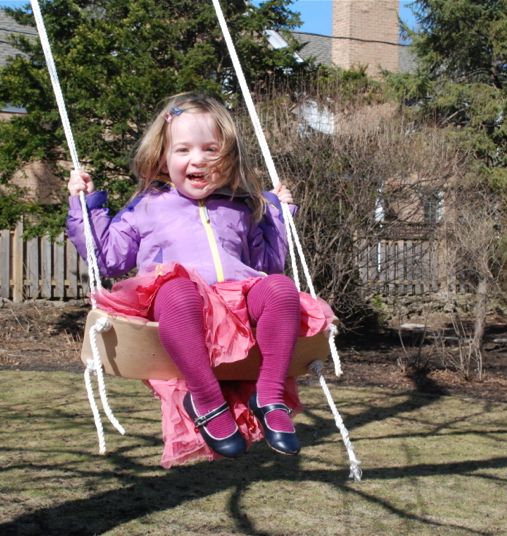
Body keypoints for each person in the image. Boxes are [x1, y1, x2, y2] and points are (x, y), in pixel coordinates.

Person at [66, 92, 333, 467]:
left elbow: (268, 263)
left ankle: (269, 395)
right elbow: (107, 257)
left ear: (229, 157)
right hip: (178, 307)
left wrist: (277, 212)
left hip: (236, 305)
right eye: (183, 150)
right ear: (163, 157)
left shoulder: (240, 206)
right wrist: (86, 204)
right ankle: (205, 399)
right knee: (177, 288)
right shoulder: (149, 204)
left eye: (211, 149)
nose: (198, 159)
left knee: (281, 289)